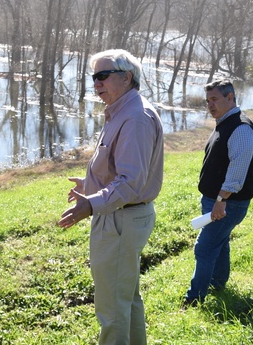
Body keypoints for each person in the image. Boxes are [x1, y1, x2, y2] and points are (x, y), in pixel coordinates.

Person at [58, 49, 164, 344]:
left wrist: (91, 204)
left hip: (121, 220)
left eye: (103, 76)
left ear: (126, 77)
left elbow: (130, 183)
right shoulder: (122, 110)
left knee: (112, 309)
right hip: (121, 215)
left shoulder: (135, 118)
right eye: (94, 77)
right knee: (125, 298)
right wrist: (90, 182)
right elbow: (120, 170)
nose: (97, 83)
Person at [183, 79, 253, 307]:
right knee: (219, 242)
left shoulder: (241, 128)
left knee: (204, 247)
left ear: (230, 97)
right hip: (217, 201)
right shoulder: (224, 123)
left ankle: (194, 299)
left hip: (227, 203)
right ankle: (217, 285)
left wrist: (220, 200)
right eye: (207, 101)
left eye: (214, 99)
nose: (210, 105)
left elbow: (237, 171)